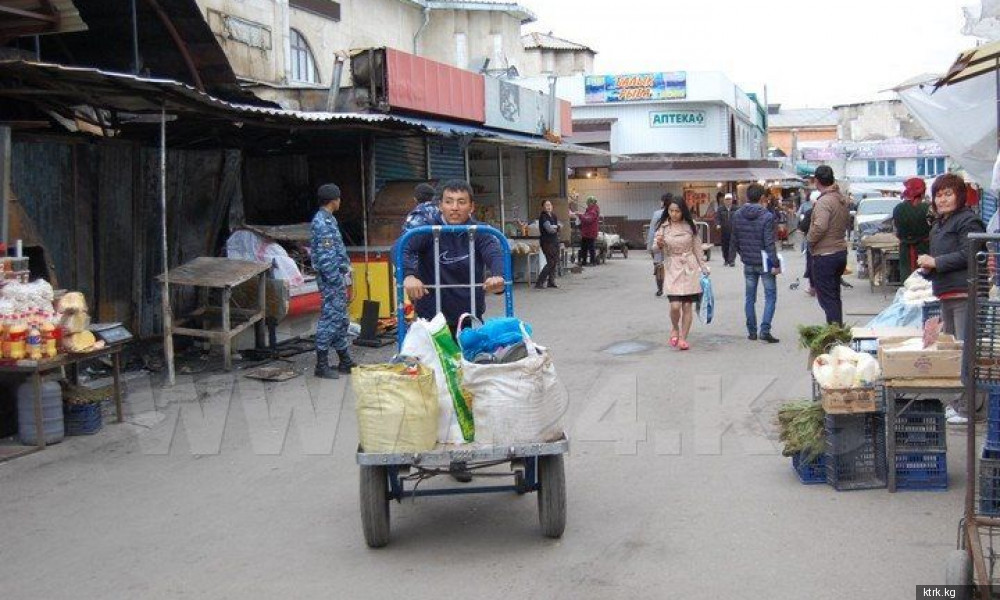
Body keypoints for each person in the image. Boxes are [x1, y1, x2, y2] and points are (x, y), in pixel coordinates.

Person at [916, 173, 985, 424]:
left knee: (967, 352)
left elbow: (971, 253)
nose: (942, 199)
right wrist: (929, 269)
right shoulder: (942, 223)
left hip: (965, 294)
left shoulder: (968, 221)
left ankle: (969, 408)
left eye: (948, 194)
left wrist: (936, 262)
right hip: (947, 292)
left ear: (960, 195)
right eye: (939, 194)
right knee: (956, 351)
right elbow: (945, 257)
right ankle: (959, 403)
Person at [402, 180, 506, 336]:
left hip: (469, 318)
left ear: (472, 206)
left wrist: (499, 277)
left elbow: (495, 253)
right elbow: (402, 248)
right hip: (432, 320)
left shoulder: (480, 232)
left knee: (472, 358)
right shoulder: (428, 230)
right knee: (431, 360)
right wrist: (408, 275)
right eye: (449, 202)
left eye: (461, 202)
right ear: (440, 206)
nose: (455, 207)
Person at [310, 183, 356, 379]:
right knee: (330, 319)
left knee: (340, 319)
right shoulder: (321, 222)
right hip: (331, 280)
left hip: (337, 278)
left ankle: (344, 360)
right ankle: (321, 364)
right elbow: (326, 257)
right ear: (334, 200)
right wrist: (336, 281)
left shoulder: (329, 220)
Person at [654, 196, 709, 351]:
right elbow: (653, 248)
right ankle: (674, 328)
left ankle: (683, 338)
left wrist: (703, 267)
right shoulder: (663, 227)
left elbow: (697, 248)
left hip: (689, 267)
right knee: (675, 306)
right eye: (671, 211)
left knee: (687, 306)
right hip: (672, 266)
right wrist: (658, 244)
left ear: (683, 211)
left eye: (677, 211)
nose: (674, 214)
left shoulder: (691, 226)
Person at [729, 183, 780, 343]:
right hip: (764, 263)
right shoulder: (767, 216)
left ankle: (752, 331)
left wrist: (740, 255)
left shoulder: (737, 214)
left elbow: (734, 239)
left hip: (748, 262)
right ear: (762, 198)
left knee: (750, 297)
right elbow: (769, 243)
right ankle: (765, 330)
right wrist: (775, 263)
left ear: (747, 197)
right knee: (770, 296)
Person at [806, 165, 851, 325]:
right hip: (840, 251)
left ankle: (834, 333)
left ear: (816, 181)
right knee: (834, 295)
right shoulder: (840, 198)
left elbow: (820, 226)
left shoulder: (824, 201)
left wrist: (810, 240)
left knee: (827, 299)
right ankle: (837, 329)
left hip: (826, 254)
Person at [892, 177, 932, 281]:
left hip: (905, 249)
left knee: (907, 278)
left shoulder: (897, 208)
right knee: (924, 280)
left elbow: (896, 231)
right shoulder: (928, 208)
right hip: (925, 249)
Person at [647, 194, 671, 296]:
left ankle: (660, 289)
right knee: (670, 267)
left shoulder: (657, 214)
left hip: (658, 242)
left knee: (658, 266)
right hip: (671, 243)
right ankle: (670, 288)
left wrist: (649, 246)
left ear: (663, 202)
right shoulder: (675, 213)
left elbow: (652, 231)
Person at [535, 199, 561, 289]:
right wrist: (556, 227)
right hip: (547, 242)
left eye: (550, 204)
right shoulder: (543, 217)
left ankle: (551, 281)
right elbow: (549, 229)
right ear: (543, 207)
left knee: (555, 262)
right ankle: (539, 282)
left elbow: (559, 226)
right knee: (550, 262)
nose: (549, 206)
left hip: (555, 241)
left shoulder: (553, 215)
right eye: (546, 205)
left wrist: (556, 227)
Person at [574, 196, 601, 266]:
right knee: (584, 247)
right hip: (587, 232)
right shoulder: (590, 210)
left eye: (588, 203)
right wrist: (581, 215)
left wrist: (579, 215)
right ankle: (585, 261)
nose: (587, 204)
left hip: (590, 232)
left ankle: (592, 261)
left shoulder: (593, 211)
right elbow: (586, 217)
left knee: (590, 247)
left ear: (591, 202)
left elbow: (588, 219)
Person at [715, 192, 736, 267]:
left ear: (732, 200)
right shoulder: (720, 209)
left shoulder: (736, 208)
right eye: (726, 199)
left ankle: (732, 260)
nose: (728, 201)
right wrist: (718, 224)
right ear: (724, 200)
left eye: (729, 199)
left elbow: (739, 218)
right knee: (725, 246)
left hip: (733, 230)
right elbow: (717, 218)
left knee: (733, 246)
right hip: (724, 230)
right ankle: (726, 260)